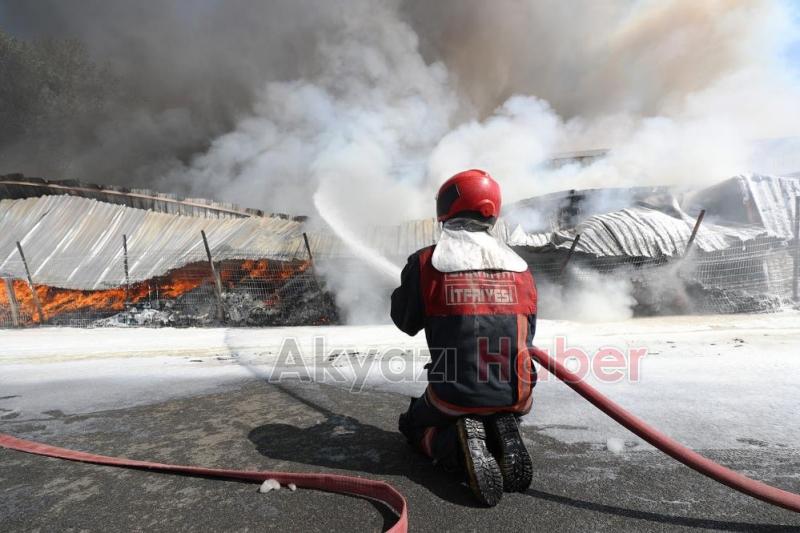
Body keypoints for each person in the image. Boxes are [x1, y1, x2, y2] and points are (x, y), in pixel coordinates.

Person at [391, 169, 538, 506]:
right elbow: (529, 333)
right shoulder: (521, 268)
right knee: (494, 403)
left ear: (445, 208)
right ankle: (500, 428)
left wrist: (408, 290)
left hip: (454, 392)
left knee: (412, 425)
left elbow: (405, 322)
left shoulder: (426, 262)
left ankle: (455, 448)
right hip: (518, 392)